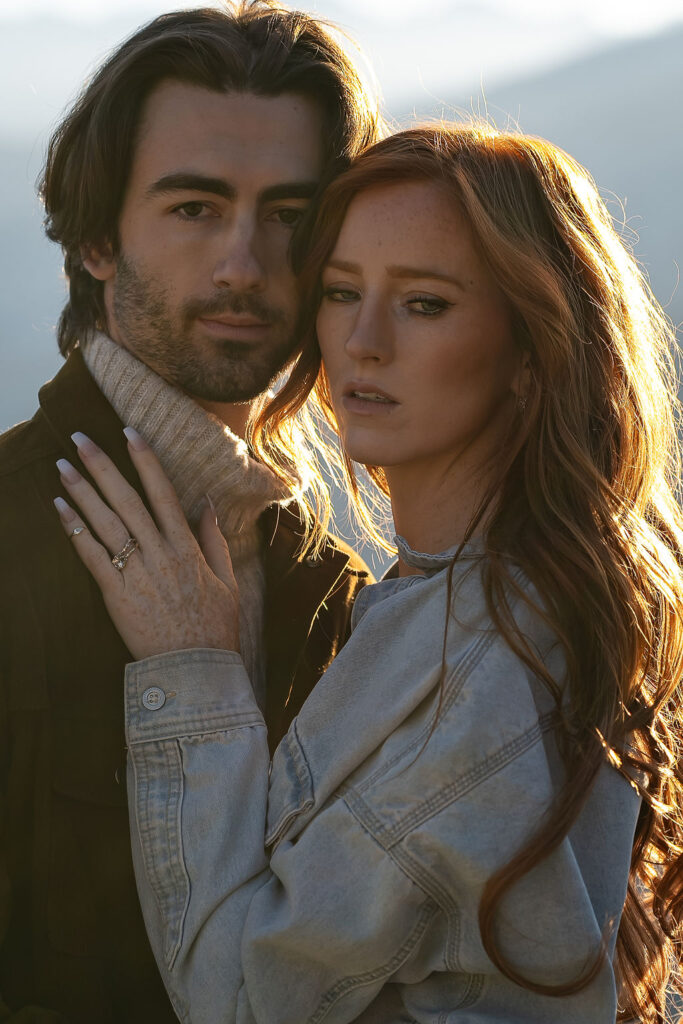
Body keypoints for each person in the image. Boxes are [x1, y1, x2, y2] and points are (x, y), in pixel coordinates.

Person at [56, 123, 683, 1022]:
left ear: (530, 351)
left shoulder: (480, 667)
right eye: (342, 293)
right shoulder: (464, 598)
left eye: (424, 304)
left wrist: (190, 671)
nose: (363, 341)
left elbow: (241, 1003)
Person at [0, 4, 383, 1020]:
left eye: (290, 216)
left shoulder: (332, 582)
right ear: (94, 237)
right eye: (193, 208)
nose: (244, 265)